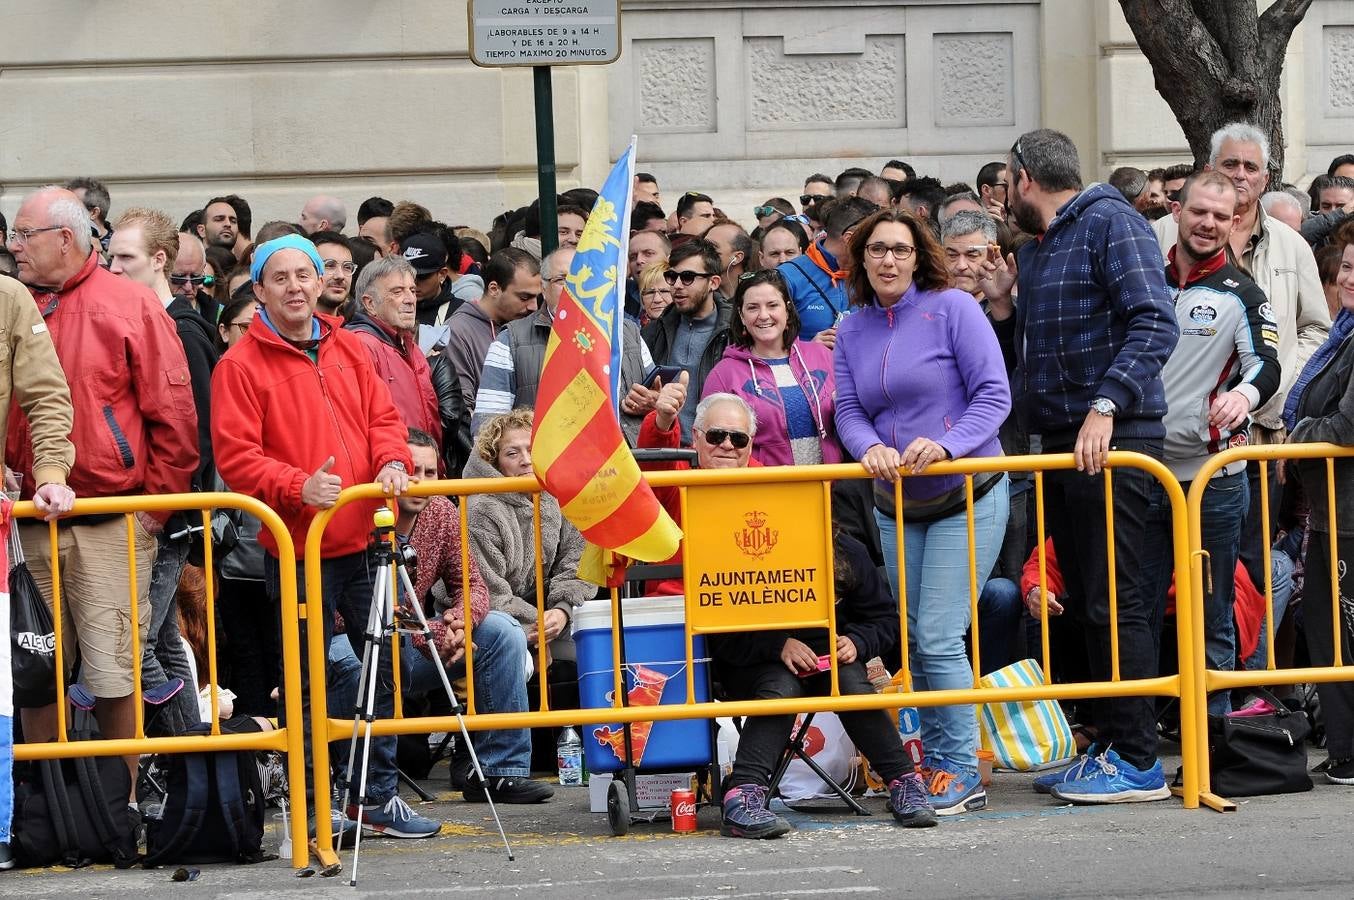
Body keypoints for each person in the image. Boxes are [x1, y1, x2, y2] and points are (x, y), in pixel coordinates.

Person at [211, 233, 438, 840]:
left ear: (320, 283)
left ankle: (376, 797)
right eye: (279, 278)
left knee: (382, 668)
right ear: (257, 290)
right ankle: (314, 803)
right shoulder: (237, 366)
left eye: (303, 275)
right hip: (297, 545)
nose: (294, 287)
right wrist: (295, 487)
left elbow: (384, 420)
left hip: (367, 539)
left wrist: (392, 460)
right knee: (308, 679)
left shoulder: (351, 347)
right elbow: (237, 460)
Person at [637, 382, 936, 834]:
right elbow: (718, 619)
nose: (727, 447)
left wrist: (855, 642)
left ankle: (903, 782)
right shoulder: (681, 481)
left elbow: (881, 617)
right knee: (781, 685)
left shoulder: (786, 500)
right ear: (695, 439)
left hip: (817, 649)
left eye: (738, 439)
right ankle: (744, 793)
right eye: (715, 436)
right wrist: (778, 643)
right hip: (730, 647)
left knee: (850, 680)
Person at [1004, 128, 1179, 804]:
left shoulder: (1113, 222)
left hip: (1116, 441)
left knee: (1119, 601)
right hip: (1063, 445)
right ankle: (1112, 742)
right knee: (1089, 604)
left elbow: (1154, 323)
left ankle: (1137, 760)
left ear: (1024, 177)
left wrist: (1106, 405)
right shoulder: (1044, 247)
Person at [6, 186, 198, 790]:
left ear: (63, 238)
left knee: (115, 670)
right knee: (33, 669)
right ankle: (46, 803)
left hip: (110, 519)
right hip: (25, 519)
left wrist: (148, 516)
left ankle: (121, 800)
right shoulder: (15, 302)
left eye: (23, 235)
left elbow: (175, 418)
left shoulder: (130, 305)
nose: (14, 246)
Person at [833, 207, 1010, 815]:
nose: (888, 260)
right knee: (915, 636)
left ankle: (961, 770)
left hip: (969, 491)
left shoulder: (954, 310)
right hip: (895, 502)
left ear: (919, 257)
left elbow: (994, 395)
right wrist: (870, 447)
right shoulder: (852, 327)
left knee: (938, 635)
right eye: (877, 250)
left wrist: (947, 444)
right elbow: (849, 411)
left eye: (900, 250)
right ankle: (936, 764)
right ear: (861, 261)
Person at [1153, 123, 1329, 595]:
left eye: (1251, 167)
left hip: (1261, 434)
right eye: (1230, 164)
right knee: (1163, 576)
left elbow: (1315, 328)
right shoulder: (1160, 236)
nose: (1240, 175)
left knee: (1244, 570)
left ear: (1265, 178)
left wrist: (1280, 393)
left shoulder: (1292, 244)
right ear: (1210, 168)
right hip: (1168, 443)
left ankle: (1243, 666)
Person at [1146, 172, 1280, 714]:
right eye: (1200, 212)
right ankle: (1143, 733)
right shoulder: (1142, 280)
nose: (1208, 224)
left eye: (1221, 217)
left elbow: (1267, 365)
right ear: (1177, 210)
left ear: (1235, 222)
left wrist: (1243, 399)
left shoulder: (1242, 292)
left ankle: (1217, 733)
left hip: (1212, 480)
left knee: (1213, 609)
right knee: (1140, 604)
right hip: (1143, 470)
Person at [395, 429, 553, 803]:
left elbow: (472, 585)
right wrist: (435, 634)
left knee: (503, 630)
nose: (420, 481)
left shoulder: (443, 512)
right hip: (364, 642)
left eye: (430, 472)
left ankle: (501, 772)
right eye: (410, 470)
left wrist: (460, 622)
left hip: (423, 642)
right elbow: (364, 614)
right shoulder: (362, 510)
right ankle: (352, 784)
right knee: (343, 653)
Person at [109, 206, 220, 735]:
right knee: (162, 638)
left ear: (158, 260)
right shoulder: (133, 318)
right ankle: (191, 757)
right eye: (109, 256)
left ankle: (187, 757)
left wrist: (160, 509)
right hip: (155, 508)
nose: (113, 268)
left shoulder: (182, 329)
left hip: (166, 512)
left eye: (124, 257)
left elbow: (195, 431)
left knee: (141, 640)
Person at [1284, 232, 1354, 786]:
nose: (1348, 278)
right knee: (1327, 631)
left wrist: (1297, 434)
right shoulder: (1343, 333)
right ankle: (1345, 748)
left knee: (1341, 634)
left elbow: (1346, 426)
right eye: (1345, 268)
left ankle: (1351, 752)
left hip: (1350, 513)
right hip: (1332, 508)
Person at [463, 410, 593, 692]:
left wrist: (562, 611)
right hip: (483, 622)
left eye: (532, 449)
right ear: (494, 461)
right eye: (512, 453)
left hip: (547, 614)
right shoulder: (480, 510)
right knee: (518, 662)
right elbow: (487, 595)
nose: (526, 460)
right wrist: (539, 624)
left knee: (598, 648)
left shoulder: (555, 494)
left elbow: (577, 562)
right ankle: (505, 736)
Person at [471, 246, 653, 443]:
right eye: (562, 280)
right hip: (549, 468)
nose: (574, 287)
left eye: (585, 277)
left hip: (627, 464)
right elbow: (486, 430)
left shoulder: (628, 333)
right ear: (543, 287)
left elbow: (656, 401)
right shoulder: (509, 342)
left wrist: (652, 402)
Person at [702, 269, 840, 466]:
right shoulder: (724, 374)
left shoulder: (822, 356)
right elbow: (712, 443)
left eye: (772, 305)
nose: (763, 315)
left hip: (828, 486)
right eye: (752, 308)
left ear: (788, 310)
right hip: (764, 489)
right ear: (741, 316)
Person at [345, 255, 441, 444]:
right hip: (392, 468)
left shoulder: (410, 346)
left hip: (423, 467)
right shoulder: (362, 346)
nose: (410, 299)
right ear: (370, 303)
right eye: (397, 292)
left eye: (412, 290)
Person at [641, 240, 732, 440]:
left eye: (688, 277)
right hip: (666, 447)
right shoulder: (653, 332)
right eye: (672, 277)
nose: (677, 286)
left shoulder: (736, 332)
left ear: (714, 283)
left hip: (719, 448)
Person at [442, 248, 540, 417]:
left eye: (537, 298)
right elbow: (463, 408)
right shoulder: (457, 331)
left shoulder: (531, 325)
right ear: (494, 289)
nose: (534, 307)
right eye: (524, 298)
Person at [778, 196, 877, 346]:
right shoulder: (787, 276)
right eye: (875, 244)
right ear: (850, 239)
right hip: (806, 368)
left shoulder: (876, 275)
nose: (880, 252)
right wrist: (807, 349)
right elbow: (761, 344)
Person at [311, 230, 356, 319]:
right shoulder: (291, 329)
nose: (340, 276)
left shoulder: (353, 329)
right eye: (329, 265)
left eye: (347, 267)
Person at [636, 259, 673, 327]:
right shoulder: (631, 332)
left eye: (664, 291)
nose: (657, 299)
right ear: (642, 300)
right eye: (650, 292)